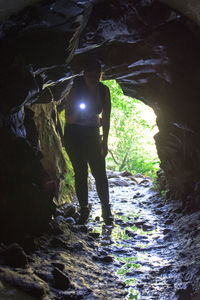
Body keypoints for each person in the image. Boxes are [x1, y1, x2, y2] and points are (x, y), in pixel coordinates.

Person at [63, 61, 113, 225]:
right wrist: (81, 112)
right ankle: (84, 209)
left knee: (100, 172)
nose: (94, 78)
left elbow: (106, 118)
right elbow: (68, 118)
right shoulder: (75, 88)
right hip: (74, 134)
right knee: (81, 172)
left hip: (92, 134)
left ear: (101, 74)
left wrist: (104, 142)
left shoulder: (104, 90)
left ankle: (106, 211)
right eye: (90, 75)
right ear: (84, 74)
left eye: (97, 75)